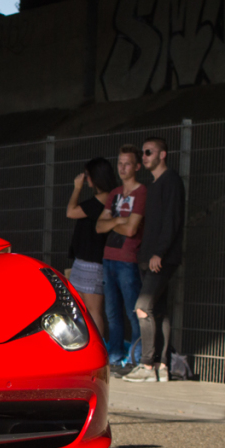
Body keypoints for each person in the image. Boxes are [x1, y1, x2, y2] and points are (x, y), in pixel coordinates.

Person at [124, 137, 187, 382]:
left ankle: (147, 365)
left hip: (159, 259)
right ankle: (162, 365)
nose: (145, 156)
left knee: (142, 307)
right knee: (158, 311)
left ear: (163, 154)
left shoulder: (171, 182)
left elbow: (172, 221)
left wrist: (159, 252)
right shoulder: (154, 185)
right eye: (143, 152)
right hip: (150, 257)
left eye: (149, 152)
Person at [97, 145, 147, 369]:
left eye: (127, 164)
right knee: (112, 312)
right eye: (120, 163)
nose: (122, 168)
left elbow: (131, 230)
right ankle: (115, 357)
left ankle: (136, 359)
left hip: (128, 259)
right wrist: (119, 221)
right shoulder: (115, 193)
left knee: (132, 311)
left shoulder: (141, 192)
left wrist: (113, 223)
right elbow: (99, 226)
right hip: (109, 258)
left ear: (137, 166)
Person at [65, 157, 118, 341]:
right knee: (83, 309)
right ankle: (88, 346)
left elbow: (70, 211)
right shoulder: (110, 199)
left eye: (87, 175)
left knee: (93, 310)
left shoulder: (100, 201)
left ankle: (97, 348)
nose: (85, 179)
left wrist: (77, 187)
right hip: (85, 261)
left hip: (93, 263)